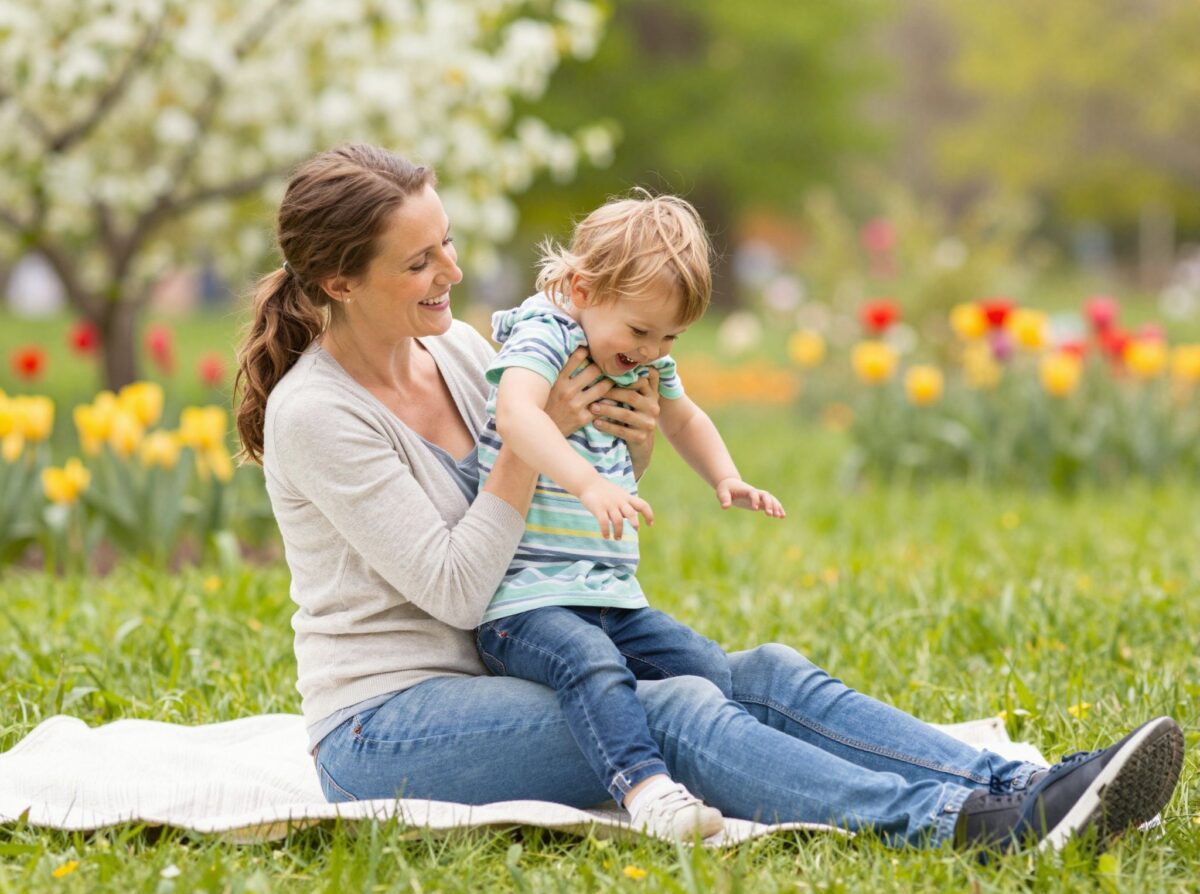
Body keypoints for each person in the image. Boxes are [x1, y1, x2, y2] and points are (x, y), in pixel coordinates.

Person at [234, 143, 1183, 853]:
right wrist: (548, 445)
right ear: (337, 282)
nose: (450, 274)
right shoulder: (316, 414)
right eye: (419, 264)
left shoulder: (458, 351)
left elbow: (548, 514)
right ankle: (967, 825)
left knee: (760, 671)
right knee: (680, 708)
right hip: (389, 722)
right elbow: (455, 589)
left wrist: (626, 452)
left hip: (512, 658)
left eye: (446, 247)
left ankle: (1029, 784)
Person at [473, 194, 785, 839]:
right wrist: (587, 483)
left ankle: (740, 764)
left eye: (670, 337)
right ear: (584, 288)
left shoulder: (638, 349)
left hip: (606, 591)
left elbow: (684, 417)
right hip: (522, 602)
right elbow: (517, 413)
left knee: (705, 666)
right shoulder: (546, 333)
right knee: (589, 662)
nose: (652, 351)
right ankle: (645, 792)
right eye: (642, 332)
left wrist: (726, 476)